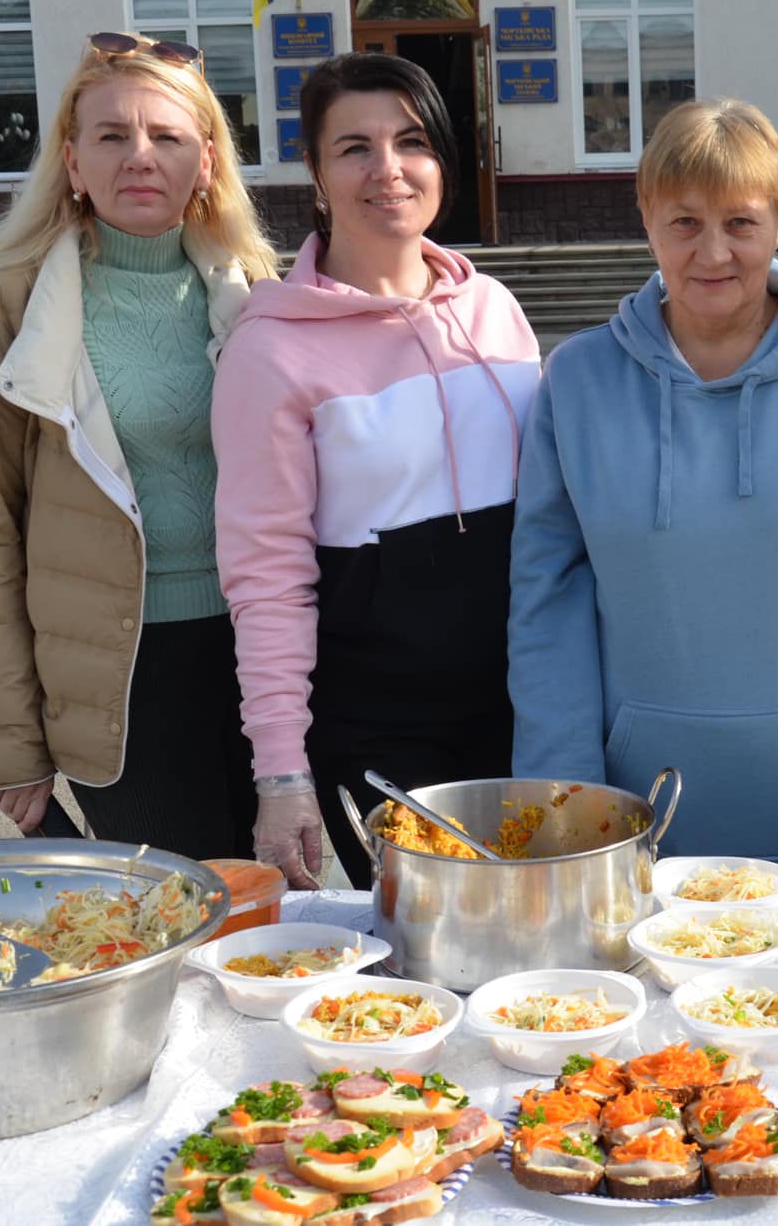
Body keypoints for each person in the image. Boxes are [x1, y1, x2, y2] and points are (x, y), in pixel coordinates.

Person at [508, 99, 778, 892]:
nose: (713, 252)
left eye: (740, 223)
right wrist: (565, 823)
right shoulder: (576, 382)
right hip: (633, 837)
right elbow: (548, 616)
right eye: (684, 222)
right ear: (645, 217)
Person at [0, 32, 279, 857]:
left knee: (291, 917)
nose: (140, 157)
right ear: (72, 159)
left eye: (167, 137)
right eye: (112, 136)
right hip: (118, 675)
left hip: (263, 657)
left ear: (206, 163)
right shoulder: (1, 305)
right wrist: (8, 742)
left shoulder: (261, 294)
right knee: (179, 919)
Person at [213, 52, 538, 890]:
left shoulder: (494, 310)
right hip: (381, 730)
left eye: (413, 141)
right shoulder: (272, 349)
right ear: (317, 173)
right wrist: (281, 774)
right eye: (354, 147)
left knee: (543, 952)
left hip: (528, 708)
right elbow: (267, 577)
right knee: (431, 954)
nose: (387, 170)